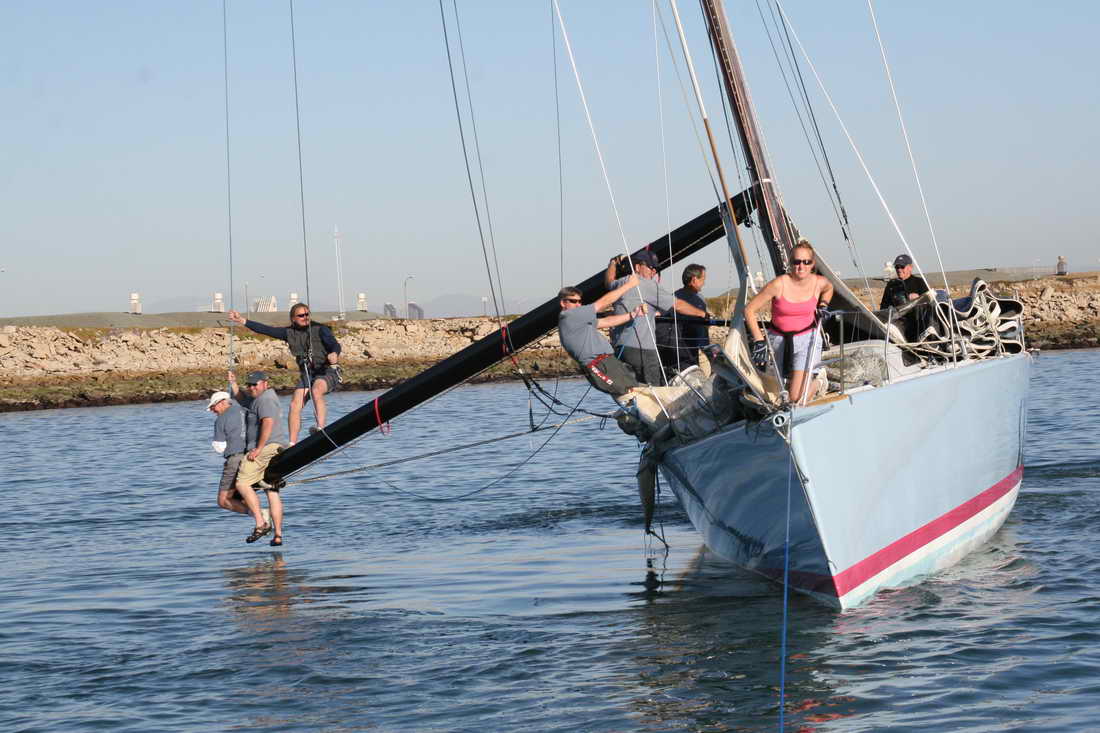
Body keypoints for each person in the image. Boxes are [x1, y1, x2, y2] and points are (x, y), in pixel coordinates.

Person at [228, 303, 342, 445]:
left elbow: (335, 344)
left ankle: (320, 428)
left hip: (327, 371)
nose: (305, 317)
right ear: (293, 318)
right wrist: (242, 320)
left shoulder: (321, 329)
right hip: (308, 374)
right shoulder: (288, 333)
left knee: (316, 390)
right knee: (294, 405)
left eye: (307, 314)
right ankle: (292, 444)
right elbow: (265, 329)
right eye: (301, 315)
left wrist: (334, 353)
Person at [745, 240, 834, 403]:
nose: (801, 266)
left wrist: (823, 305)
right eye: (796, 262)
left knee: (796, 398)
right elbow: (749, 310)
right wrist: (759, 341)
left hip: (807, 339)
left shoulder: (819, 282)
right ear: (790, 262)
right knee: (777, 394)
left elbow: (829, 288)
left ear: (812, 264)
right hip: (778, 340)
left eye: (806, 262)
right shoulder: (778, 284)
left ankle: (819, 381)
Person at [603, 251, 707, 385]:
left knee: (631, 388)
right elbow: (678, 305)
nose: (653, 272)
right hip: (643, 350)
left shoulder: (621, 283)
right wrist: (702, 314)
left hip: (620, 348)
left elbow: (609, 281)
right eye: (650, 267)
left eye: (655, 269)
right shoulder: (648, 285)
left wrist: (612, 263)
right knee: (654, 390)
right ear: (637, 267)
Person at [558, 275, 648, 398]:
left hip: (608, 361)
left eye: (579, 301)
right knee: (629, 392)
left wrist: (632, 314)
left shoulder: (578, 319)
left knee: (634, 390)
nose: (578, 305)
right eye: (574, 301)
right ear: (563, 303)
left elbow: (605, 322)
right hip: (598, 366)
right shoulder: (570, 316)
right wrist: (629, 285)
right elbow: (601, 304)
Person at [230, 371, 289, 545]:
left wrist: (259, 448)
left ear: (265, 383)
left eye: (254, 384)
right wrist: (233, 382)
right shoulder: (257, 398)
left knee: (242, 483)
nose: (251, 388)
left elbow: (268, 423)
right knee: (271, 489)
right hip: (274, 447)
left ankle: (261, 523)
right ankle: (278, 535)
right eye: (248, 385)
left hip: (267, 447)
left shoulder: (265, 400)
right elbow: (242, 399)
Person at [208, 388, 270, 530]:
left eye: (213, 407)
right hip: (253, 456)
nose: (212, 410)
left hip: (235, 459)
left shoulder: (221, 419)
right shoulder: (245, 410)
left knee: (223, 500)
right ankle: (262, 519)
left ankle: (259, 516)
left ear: (222, 402)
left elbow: (219, 447)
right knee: (241, 493)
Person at [656, 263, 709, 379]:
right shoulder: (698, 301)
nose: (704, 283)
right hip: (688, 353)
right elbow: (701, 331)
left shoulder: (673, 296)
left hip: (668, 351)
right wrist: (708, 351)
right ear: (694, 280)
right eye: (703, 279)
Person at [879, 253, 931, 341]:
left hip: (917, 323)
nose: (899, 269)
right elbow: (883, 307)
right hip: (899, 323)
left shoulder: (919, 282)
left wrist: (919, 298)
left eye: (902, 267)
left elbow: (930, 303)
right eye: (897, 267)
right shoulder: (891, 285)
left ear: (910, 267)